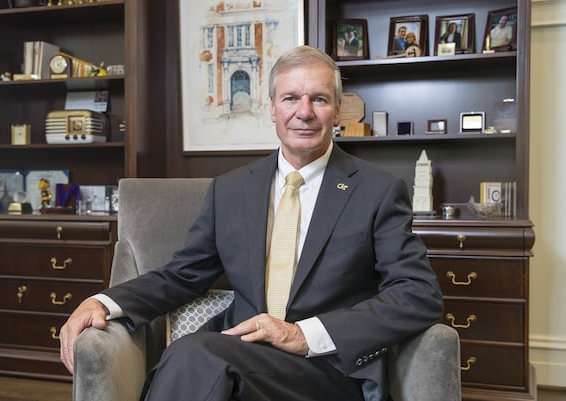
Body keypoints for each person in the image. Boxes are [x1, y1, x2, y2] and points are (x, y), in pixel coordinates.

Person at [59, 45, 443, 401]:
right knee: (189, 355)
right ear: (272, 108)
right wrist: (104, 301)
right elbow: (181, 275)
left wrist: (301, 335)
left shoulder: (377, 190)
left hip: (327, 369)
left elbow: (418, 294)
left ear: (337, 110)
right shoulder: (230, 190)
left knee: (196, 354)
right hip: (240, 356)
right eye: (291, 98)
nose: (304, 112)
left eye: (319, 99)